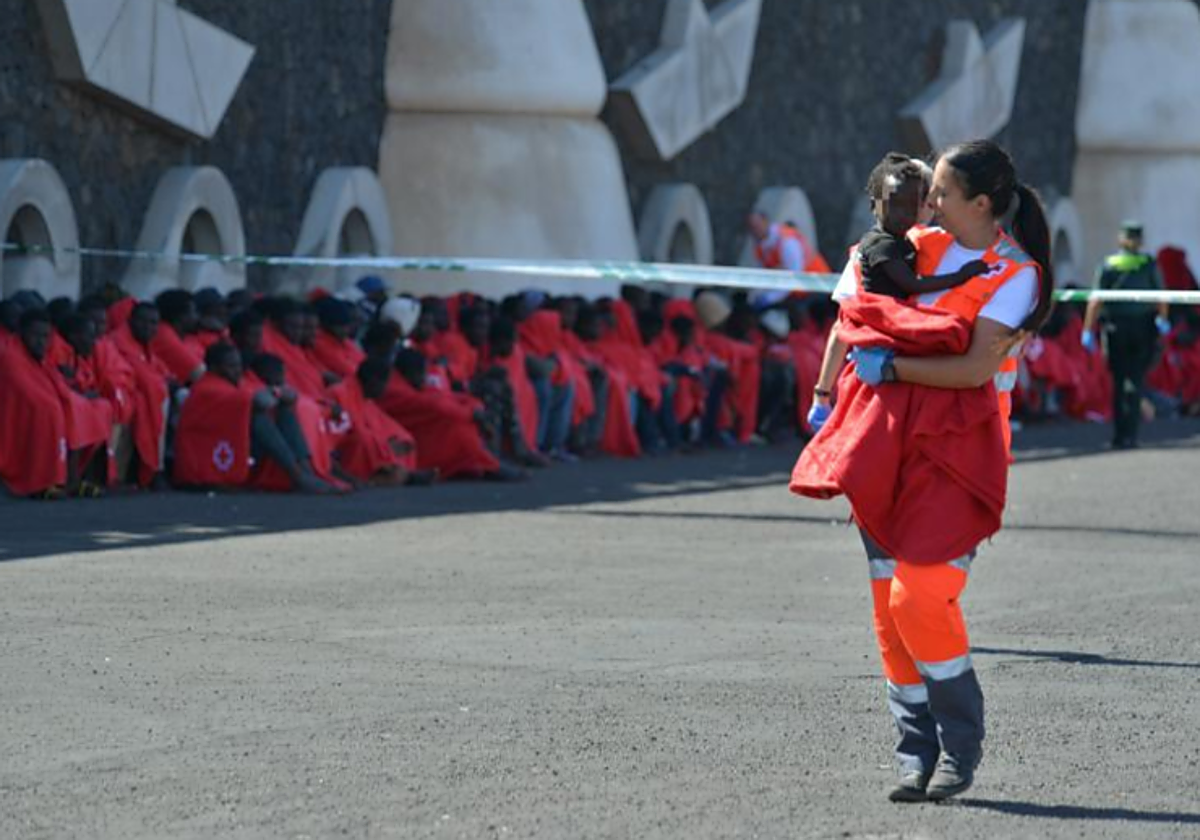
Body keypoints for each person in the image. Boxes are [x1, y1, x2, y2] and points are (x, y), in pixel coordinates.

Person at [792, 139, 1054, 802]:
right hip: (882, 443)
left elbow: (971, 370)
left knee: (920, 596)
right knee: (888, 605)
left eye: (940, 191)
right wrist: (825, 396)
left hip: (962, 454)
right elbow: (848, 313)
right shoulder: (906, 245)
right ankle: (916, 751)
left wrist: (895, 366)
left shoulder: (1014, 272)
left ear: (982, 203)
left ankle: (960, 744)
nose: (928, 201)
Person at [173, 342, 333, 493]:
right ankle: (297, 474)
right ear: (214, 368)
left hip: (232, 449)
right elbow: (260, 401)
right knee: (258, 417)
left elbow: (287, 396)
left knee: (284, 411)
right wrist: (277, 392)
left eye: (239, 365)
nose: (237, 370)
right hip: (202, 460)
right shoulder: (208, 388)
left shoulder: (234, 383)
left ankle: (306, 470)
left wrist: (275, 394)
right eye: (231, 366)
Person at [1081, 221, 1171, 449]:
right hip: (1142, 329)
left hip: (1115, 329)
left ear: (1120, 239)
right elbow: (1161, 297)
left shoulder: (1109, 264)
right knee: (1136, 381)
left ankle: (1120, 436)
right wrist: (1162, 320)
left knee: (1119, 382)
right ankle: (1130, 435)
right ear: (1140, 240)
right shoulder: (1148, 264)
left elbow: (1095, 301)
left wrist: (1087, 330)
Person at [856, 152, 991, 299]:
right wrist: (962, 275)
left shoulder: (904, 238)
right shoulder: (881, 244)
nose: (903, 215)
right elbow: (913, 284)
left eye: (912, 207)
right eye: (894, 205)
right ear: (874, 204)